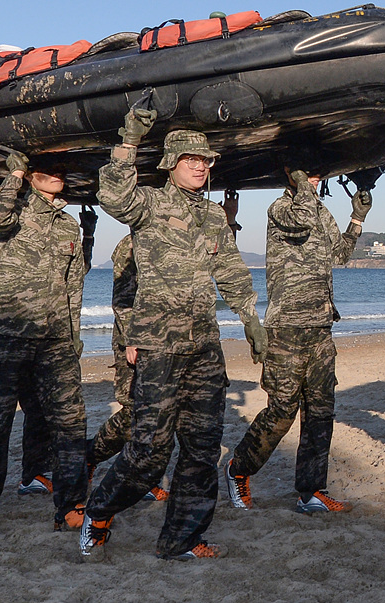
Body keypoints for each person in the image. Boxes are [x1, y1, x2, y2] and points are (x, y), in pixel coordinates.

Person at [80, 107, 266, 561]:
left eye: (206, 161)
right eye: (191, 160)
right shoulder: (148, 203)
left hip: (203, 343)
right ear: (171, 163)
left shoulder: (213, 217)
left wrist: (251, 318)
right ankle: (100, 511)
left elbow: (230, 269)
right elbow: (113, 196)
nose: (201, 167)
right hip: (159, 342)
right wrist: (127, 142)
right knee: (149, 450)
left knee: (202, 449)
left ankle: (182, 538)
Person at [0, 154, 90, 538]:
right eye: (46, 170)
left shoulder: (67, 224)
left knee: (70, 423)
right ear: (30, 176)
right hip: (5, 331)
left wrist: (74, 331)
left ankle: (71, 505)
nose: (57, 175)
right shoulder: (11, 210)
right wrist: (14, 174)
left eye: (62, 170)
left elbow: (73, 284)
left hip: (55, 337)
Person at [225, 165, 370, 514]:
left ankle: (311, 491)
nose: (316, 178)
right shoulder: (281, 208)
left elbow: (340, 254)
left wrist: (357, 218)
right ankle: (238, 469)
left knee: (321, 412)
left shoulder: (319, 210)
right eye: (309, 172)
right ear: (291, 175)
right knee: (282, 411)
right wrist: (302, 181)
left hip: (321, 327)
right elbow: (303, 217)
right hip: (287, 328)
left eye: (319, 173)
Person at [17, 206, 98, 497]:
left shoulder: (61, 249)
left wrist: (87, 234)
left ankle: (36, 473)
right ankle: (31, 475)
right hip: (20, 339)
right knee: (31, 411)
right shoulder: (17, 245)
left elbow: (79, 269)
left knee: (46, 412)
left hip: (53, 339)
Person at [84, 233, 168, 502]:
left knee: (159, 413)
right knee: (135, 411)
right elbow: (123, 298)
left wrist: (228, 220)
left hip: (168, 340)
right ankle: (90, 456)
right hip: (136, 342)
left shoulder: (174, 236)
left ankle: (142, 476)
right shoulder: (132, 242)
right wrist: (133, 339)